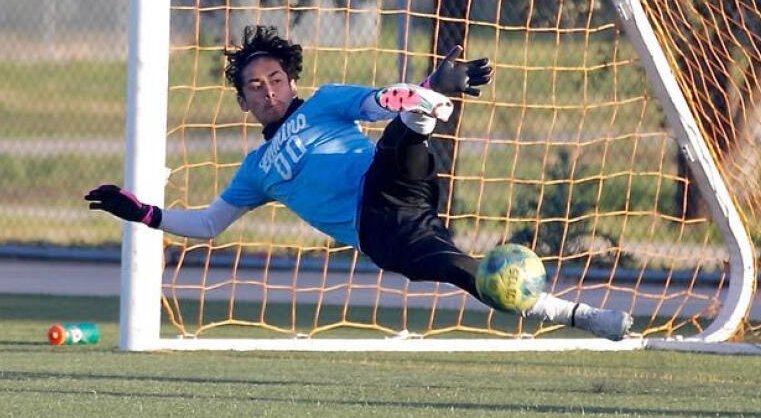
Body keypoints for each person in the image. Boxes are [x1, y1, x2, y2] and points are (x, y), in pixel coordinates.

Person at [86, 25, 632, 341]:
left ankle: (429, 98)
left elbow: (374, 102)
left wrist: (410, 92)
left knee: (398, 135)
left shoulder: (323, 104)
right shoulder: (257, 169)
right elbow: (207, 224)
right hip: (381, 233)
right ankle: (586, 318)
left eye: (275, 79)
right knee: (479, 276)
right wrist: (143, 214)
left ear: (290, 79)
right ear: (243, 100)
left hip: (396, 188)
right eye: (255, 87)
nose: (268, 91)